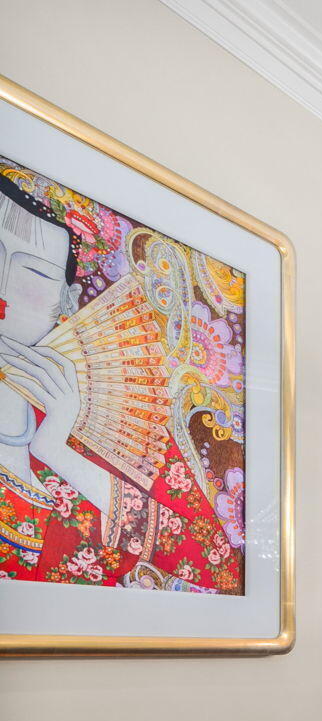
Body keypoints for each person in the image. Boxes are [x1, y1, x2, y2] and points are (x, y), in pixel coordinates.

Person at [0, 170, 239, 591]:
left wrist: (57, 449)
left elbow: (217, 567)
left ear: (67, 303)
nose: (2, 288)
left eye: (34, 274)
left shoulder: (86, 426)